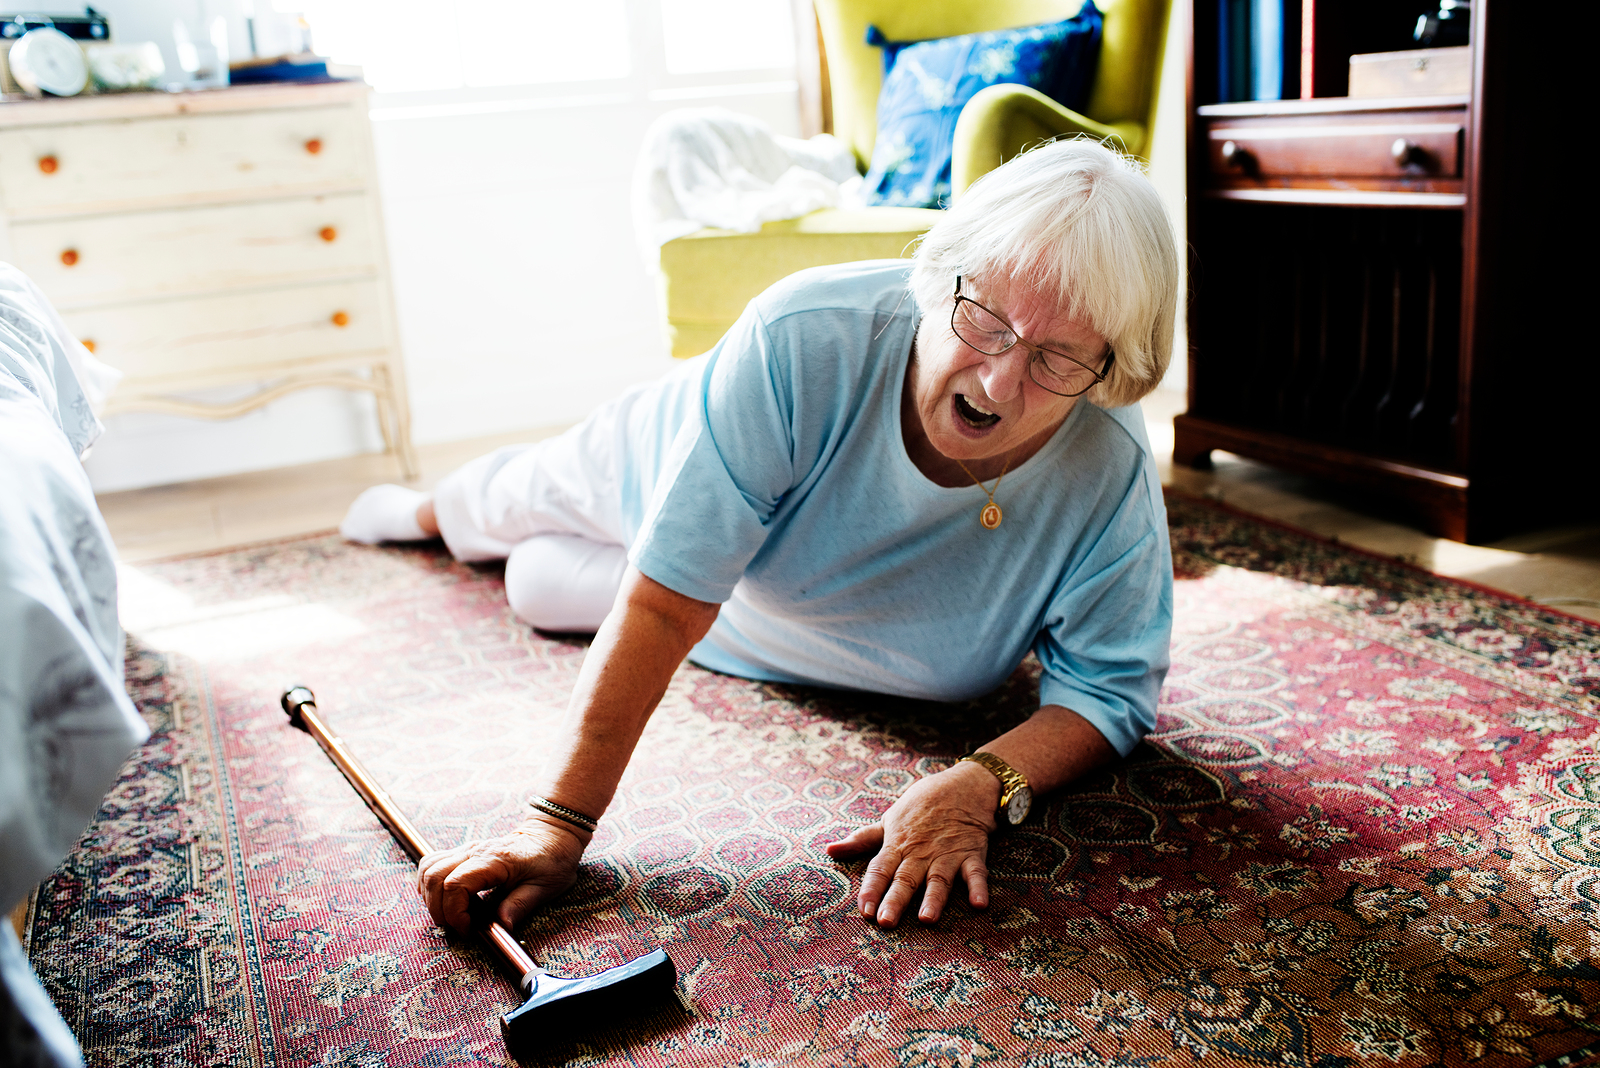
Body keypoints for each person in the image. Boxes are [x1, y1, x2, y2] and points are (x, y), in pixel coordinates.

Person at [339, 139, 1178, 936]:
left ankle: (558, 567)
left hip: (762, 602)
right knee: (496, 506)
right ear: (938, 278)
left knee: (538, 588)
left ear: (1111, 367)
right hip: (660, 470)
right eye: (985, 319)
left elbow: (1109, 691)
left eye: (1057, 359)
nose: (999, 379)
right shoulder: (802, 337)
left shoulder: (1110, 465)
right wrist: (555, 823)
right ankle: (421, 511)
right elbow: (665, 607)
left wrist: (979, 783)